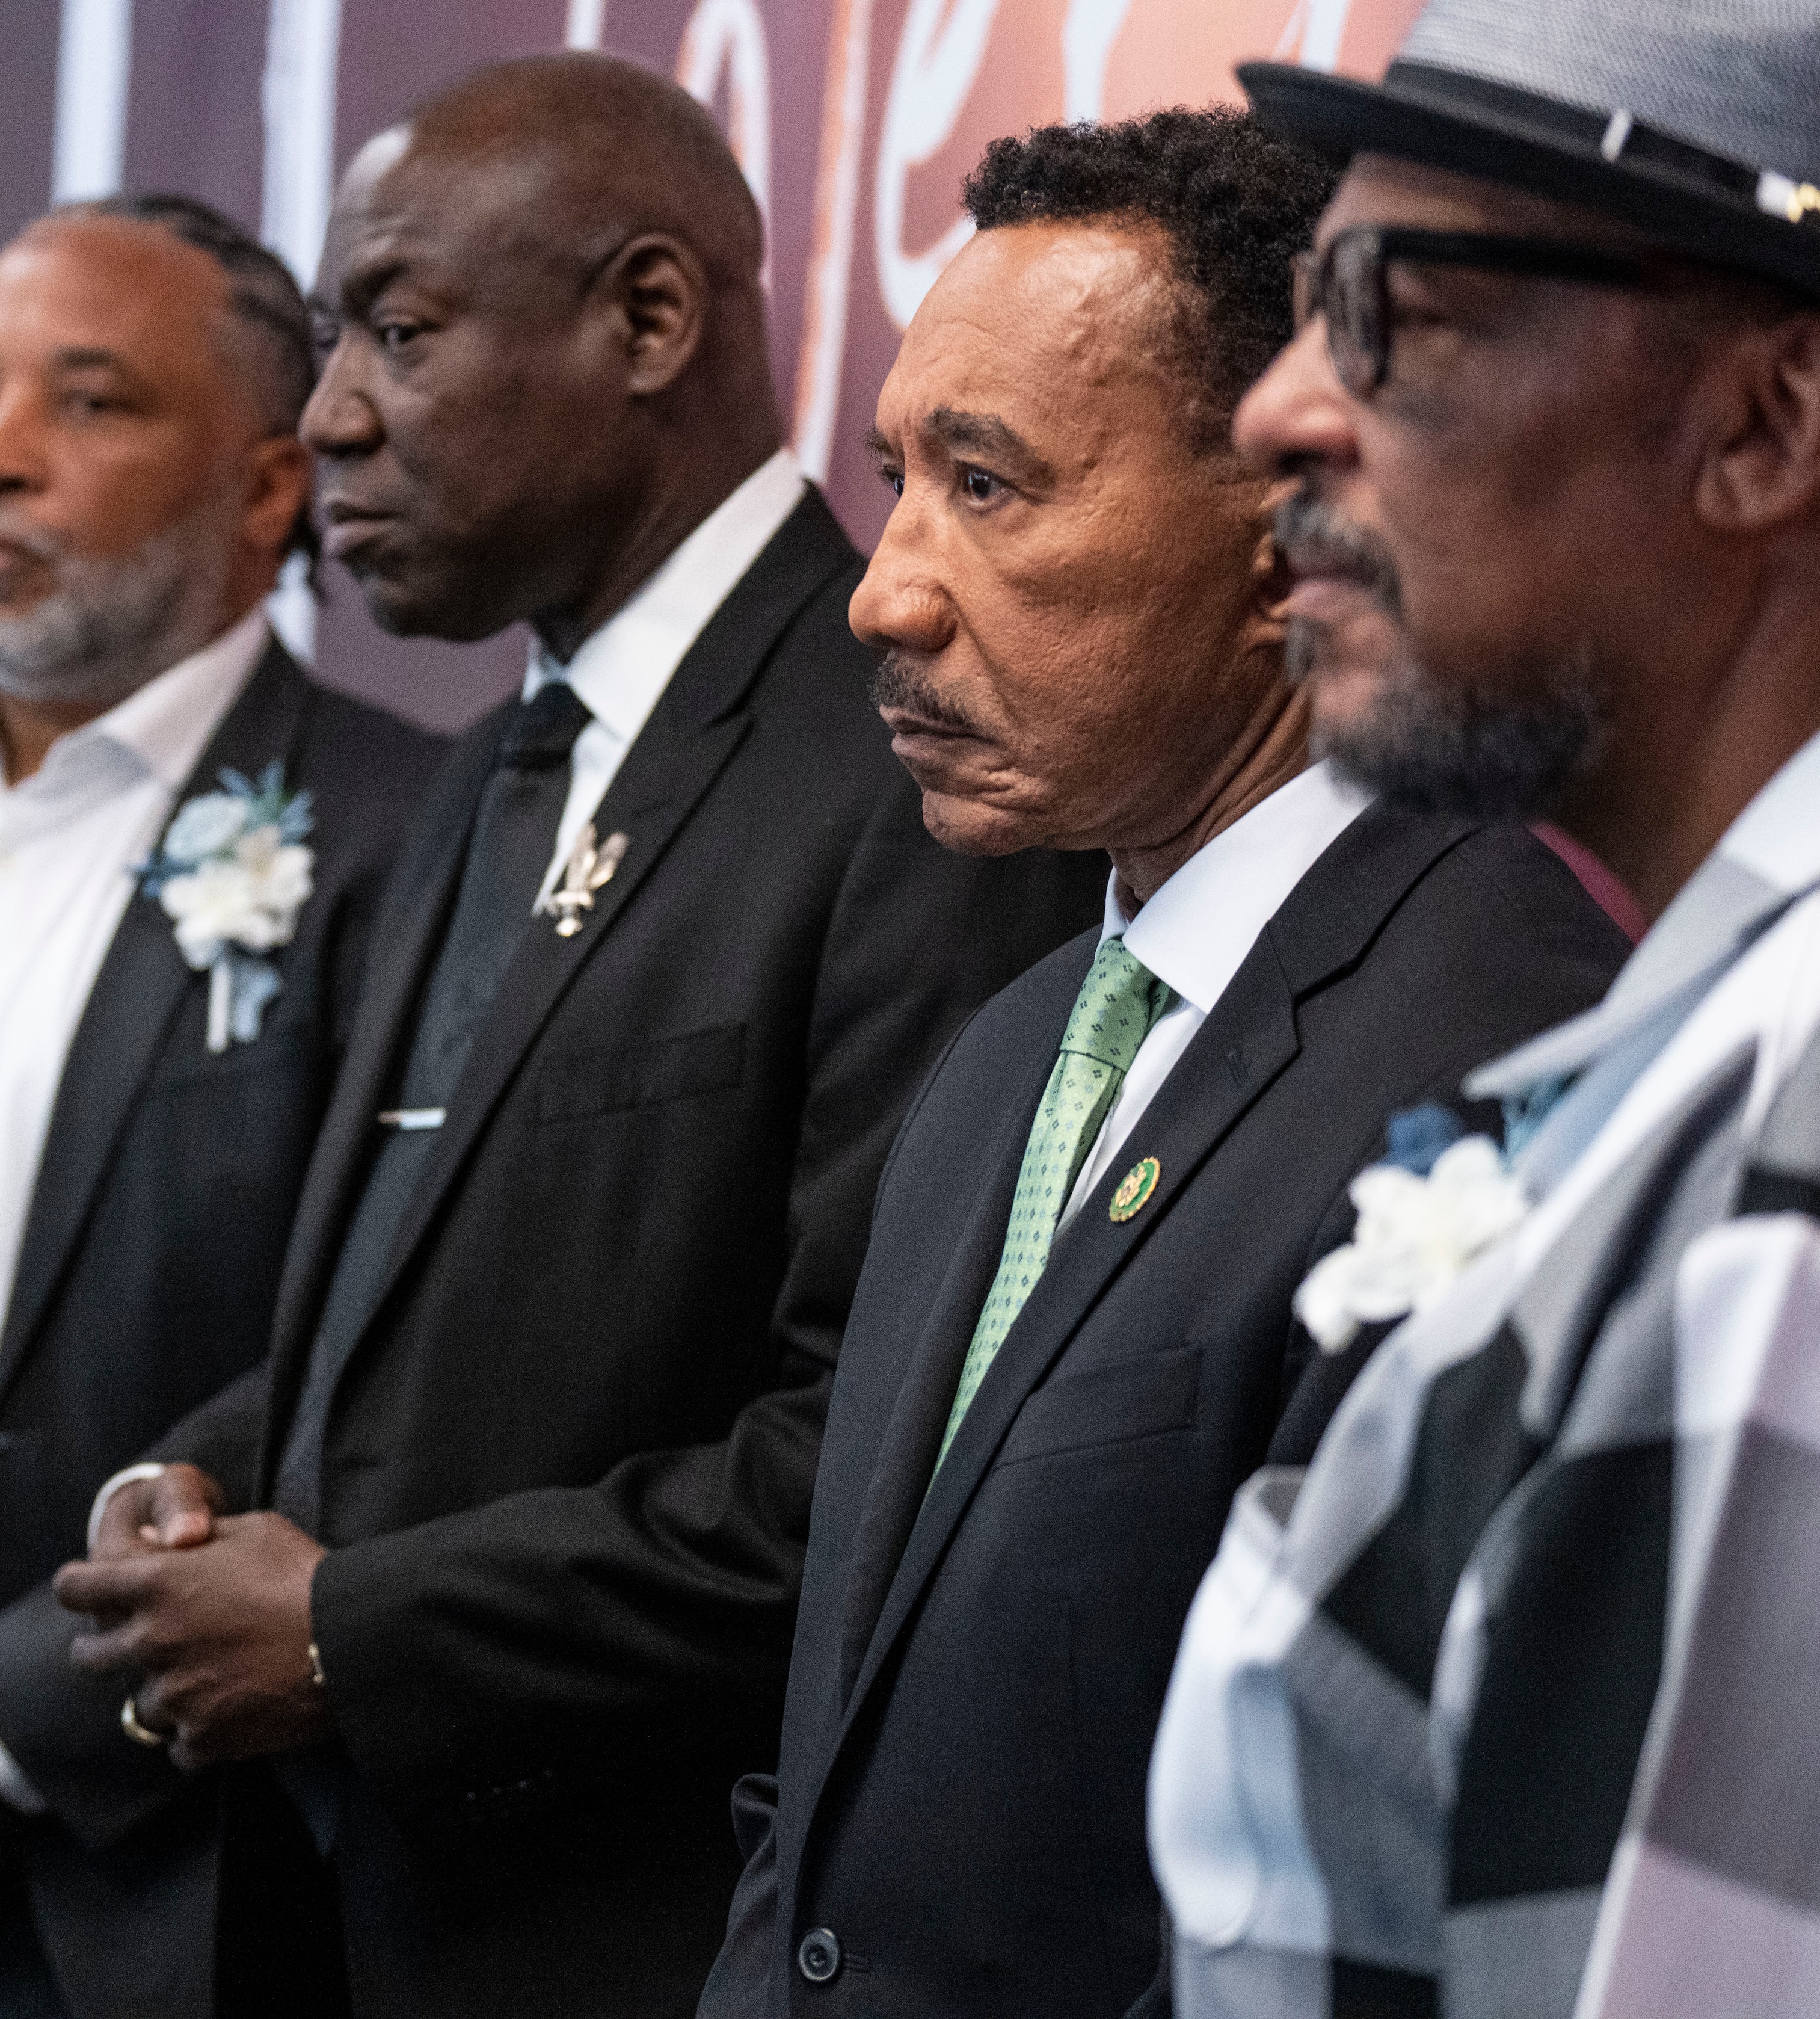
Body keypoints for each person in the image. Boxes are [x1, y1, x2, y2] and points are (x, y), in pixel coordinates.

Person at [23, 52, 1104, 2016]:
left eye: (400, 330)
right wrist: (189, 1488)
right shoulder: (506, 755)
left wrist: (357, 1632)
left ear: (650, 318)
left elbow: (860, 1466)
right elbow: (412, 1323)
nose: (332, 409)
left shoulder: (906, 765)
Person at [695, 109, 1631, 2019]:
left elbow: (1404, 1858)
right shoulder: (1007, 1055)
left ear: (1292, 530)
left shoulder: (1503, 1046)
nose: (887, 588)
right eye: (895, 481)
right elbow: (834, 1771)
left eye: (991, 483)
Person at [1142, 0, 1820, 2013]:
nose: (1275, 416)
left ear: (1769, 426)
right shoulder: (1719, 1077)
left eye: (1393, 311)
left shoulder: (1783, 1171)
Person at [0, 193, 441, 2017]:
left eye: (90, 404)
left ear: (271, 489)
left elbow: (381, 1351)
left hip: (162, 1867)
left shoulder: (406, 837)